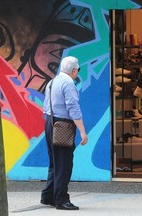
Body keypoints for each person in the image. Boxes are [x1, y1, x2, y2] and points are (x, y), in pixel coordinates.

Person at [40, 56, 88, 210]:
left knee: (54, 162)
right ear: (74, 70)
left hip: (50, 122)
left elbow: (46, 105)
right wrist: (82, 131)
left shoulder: (51, 82)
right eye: (77, 70)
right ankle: (61, 199)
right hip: (63, 125)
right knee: (64, 164)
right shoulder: (68, 84)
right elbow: (73, 108)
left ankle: (48, 196)